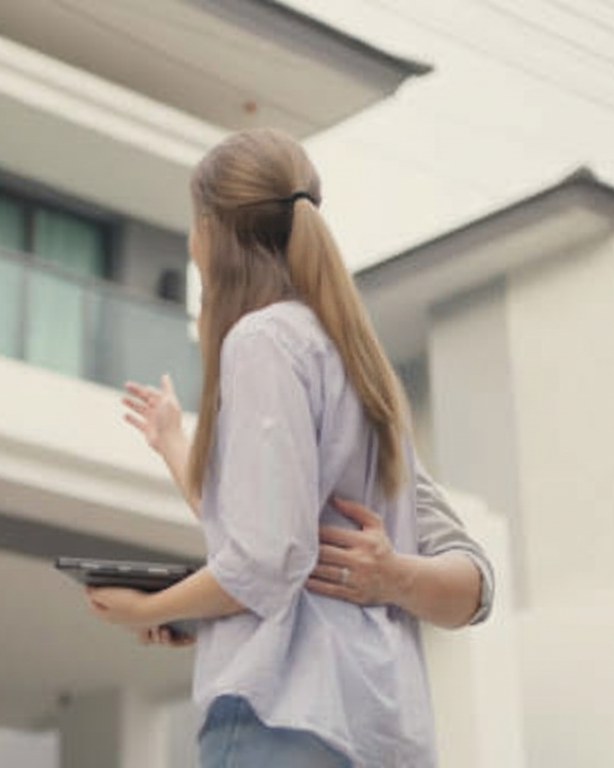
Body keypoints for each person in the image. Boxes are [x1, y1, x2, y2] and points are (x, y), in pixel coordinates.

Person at [83, 128, 465, 767]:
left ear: (212, 229)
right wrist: (174, 442)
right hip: (377, 721)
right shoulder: (360, 363)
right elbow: (266, 528)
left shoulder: (261, 342)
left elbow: (265, 560)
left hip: (285, 712)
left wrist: (147, 607)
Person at [121, 375, 493, 638]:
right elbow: (240, 534)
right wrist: (170, 439)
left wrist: (394, 576)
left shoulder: (361, 425)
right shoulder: (247, 420)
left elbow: (475, 587)